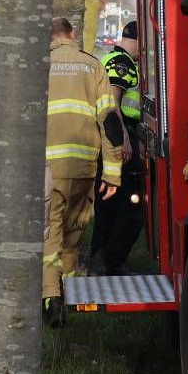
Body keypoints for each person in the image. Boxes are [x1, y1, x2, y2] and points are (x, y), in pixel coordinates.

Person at [43, 18, 123, 327]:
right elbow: (110, 122)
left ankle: (51, 298)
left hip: (47, 168)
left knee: (49, 232)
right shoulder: (93, 66)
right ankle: (71, 294)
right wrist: (112, 173)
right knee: (73, 236)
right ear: (73, 34)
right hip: (83, 166)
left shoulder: (37, 66)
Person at [89, 21, 146, 274]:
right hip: (119, 136)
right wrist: (122, 139)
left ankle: (102, 261)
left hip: (110, 136)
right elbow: (113, 102)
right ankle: (111, 262)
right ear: (136, 40)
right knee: (129, 208)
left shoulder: (110, 57)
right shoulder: (122, 63)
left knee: (109, 206)